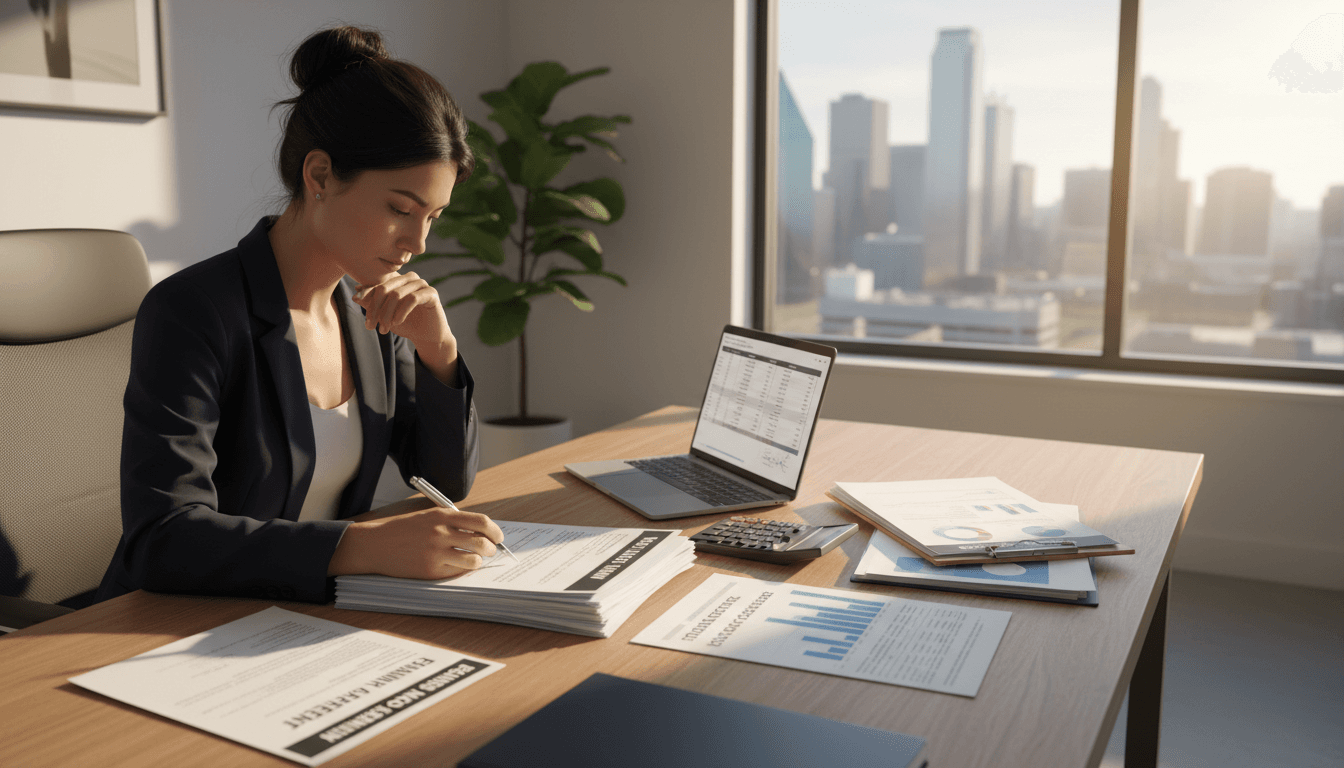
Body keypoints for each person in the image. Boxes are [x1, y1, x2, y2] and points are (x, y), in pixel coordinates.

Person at [97, 26, 504, 604]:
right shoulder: (194, 311)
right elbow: (162, 538)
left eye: (433, 217)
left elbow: (445, 484)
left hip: (307, 613)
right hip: (179, 624)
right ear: (319, 177)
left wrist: (440, 353)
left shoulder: (373, 311)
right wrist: (365, 548)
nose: (418, 241)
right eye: (400, 209)